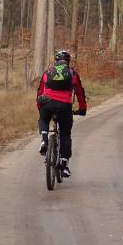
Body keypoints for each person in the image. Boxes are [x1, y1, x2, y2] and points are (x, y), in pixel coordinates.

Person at [37, 48, 87, 177]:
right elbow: (80, 92)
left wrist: (40, 107)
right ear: (68, 61)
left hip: (47, 103)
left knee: (43, 119)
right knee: (65, 134)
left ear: (56, 61)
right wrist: (82, 108)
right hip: (64, 105)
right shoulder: (72, 74)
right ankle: (64, 166)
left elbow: (40, 91)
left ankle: (44, 140)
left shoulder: (48, 72)